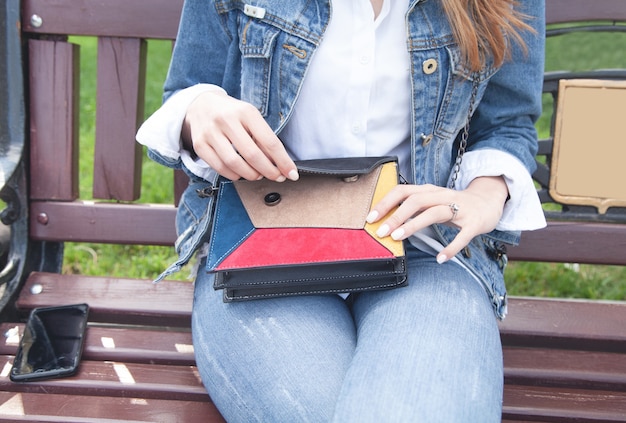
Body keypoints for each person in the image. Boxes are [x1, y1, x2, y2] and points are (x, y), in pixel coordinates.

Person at [137, 0, 547, 421]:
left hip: (424, 248)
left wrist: (483, 197)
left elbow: (507, 122)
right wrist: (200, 110)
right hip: (264, 251)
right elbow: (188, 90)